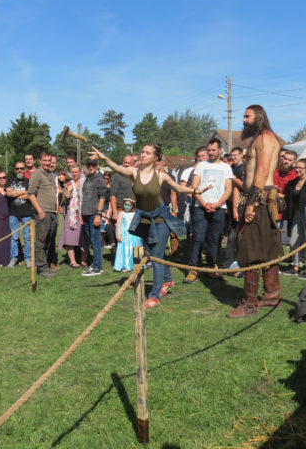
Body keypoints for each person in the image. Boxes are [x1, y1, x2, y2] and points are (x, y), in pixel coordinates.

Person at [89, 144, 209, 307]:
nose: (143, 155)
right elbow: (116, 168)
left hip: (160, 220)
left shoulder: (161, 176)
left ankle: (154, 295)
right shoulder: (133, 172)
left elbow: (179, 188)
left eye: (147, 153)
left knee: (156, 257)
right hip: (143, 220)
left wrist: (196, 192)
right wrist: (103, 158)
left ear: (155, 158)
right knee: (153, 252)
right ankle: (168, 280)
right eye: (143, 152)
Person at [227, 105, 283, 318]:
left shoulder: (266, 138)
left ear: (258, 116)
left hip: (260, 199)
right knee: (268, 249)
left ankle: (250, 303)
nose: (243, 120)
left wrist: (251, 203)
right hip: (259, 197)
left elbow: (261, 171)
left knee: (251, 251)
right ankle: (272, 296)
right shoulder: (260, 138)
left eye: (247, 116)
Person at [184, 138, 233, 283]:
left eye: (213, 150)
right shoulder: (201, 166)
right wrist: (204, 203)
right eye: (209, 150)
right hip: (201, 207)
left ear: (220, 150)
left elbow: (228, 190)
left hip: (218, 208)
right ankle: (193, 269)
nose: (211, 153)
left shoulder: (226, 168)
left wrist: (217, 204)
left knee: (213, 240)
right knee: (198, 239)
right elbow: (195, 187)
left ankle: (211, 267)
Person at [27, 152, 59, 278]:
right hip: (43, 212)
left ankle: (43, 265)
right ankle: (42, 268)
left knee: (47, 241)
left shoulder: (50, 174)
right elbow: (31, 194)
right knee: (40, 241)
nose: (47, 163)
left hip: (52, 212)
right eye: (44, 160)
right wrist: (40, 210)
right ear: (40, 161)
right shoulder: (37, 174)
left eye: (49, 160)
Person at [80, 158, 108, 276]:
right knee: (91, 240)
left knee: (95, 240)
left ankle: (97, 267)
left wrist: (98, 214)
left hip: (94, 214)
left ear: (97, 166)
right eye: (89, 165)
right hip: (86, 213)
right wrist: (81, 214)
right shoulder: (87, 179)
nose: (90, 167)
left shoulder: (100, 179)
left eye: (93, 165)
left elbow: (102, 197)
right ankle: (95, 263)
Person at [58, 163, 88, 267]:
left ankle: (83, 261)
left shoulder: (85, 183)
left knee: (83, 237)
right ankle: (73, 261)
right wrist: (68, 192)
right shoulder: (68, 184)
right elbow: (65, 201)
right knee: (70, 237)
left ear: (80, 172)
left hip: (83, 212)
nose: (74, 174)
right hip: (71, 213)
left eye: (76, 172)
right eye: (73, 172)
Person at [6, 161, 34, 268]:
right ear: (15, 169)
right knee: (14, 237)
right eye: (17, 168)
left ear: (25, 169)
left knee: (27, 237)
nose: (19, 170)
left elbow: (30, 195)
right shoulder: (10, 180)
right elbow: (9, 193)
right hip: (13, 214)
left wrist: (15, 193)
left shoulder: (29, 181)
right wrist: (23, 192)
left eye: (21, 168)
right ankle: (13, 259)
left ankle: (28, 259)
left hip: (26, 214)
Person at [273, 149, 298, 244]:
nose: (286, 161)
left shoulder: (295, 176)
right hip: (271, 208)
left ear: (294, 162)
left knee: (285, 238)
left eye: (289, 160)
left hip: (286, 211)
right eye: (285, 158)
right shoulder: (274, 172)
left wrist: (283, 195)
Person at [113, 197, 142, 272]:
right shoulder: (121, 214)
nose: (127, 207)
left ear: (132, 206)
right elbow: (119, 225)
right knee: (126, 250)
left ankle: (138, 264)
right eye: (125, 205)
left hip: (135, 235)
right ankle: (126, 266)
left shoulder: (135, 214)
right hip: (125, 235)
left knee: (135, 248)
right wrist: (118, 235)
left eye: (129, 205)